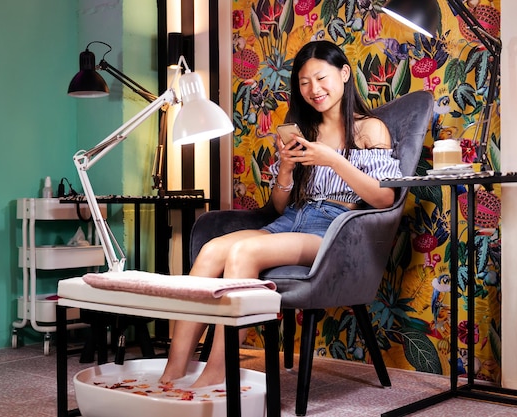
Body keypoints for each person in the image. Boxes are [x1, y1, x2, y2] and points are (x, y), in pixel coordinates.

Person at [159, 40, 402, 388]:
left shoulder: (370, 129)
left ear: (344, 74)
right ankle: (173, 369)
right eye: (304, 83)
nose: (314, 90)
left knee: (245, 251)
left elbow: (384, 198)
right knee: (213, 249)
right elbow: (278, 208)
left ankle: (217, 371)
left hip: (334, 229)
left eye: (321, 78)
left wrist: (332, 158)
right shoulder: (304, 130)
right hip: (294, 220)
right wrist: (286, 169)